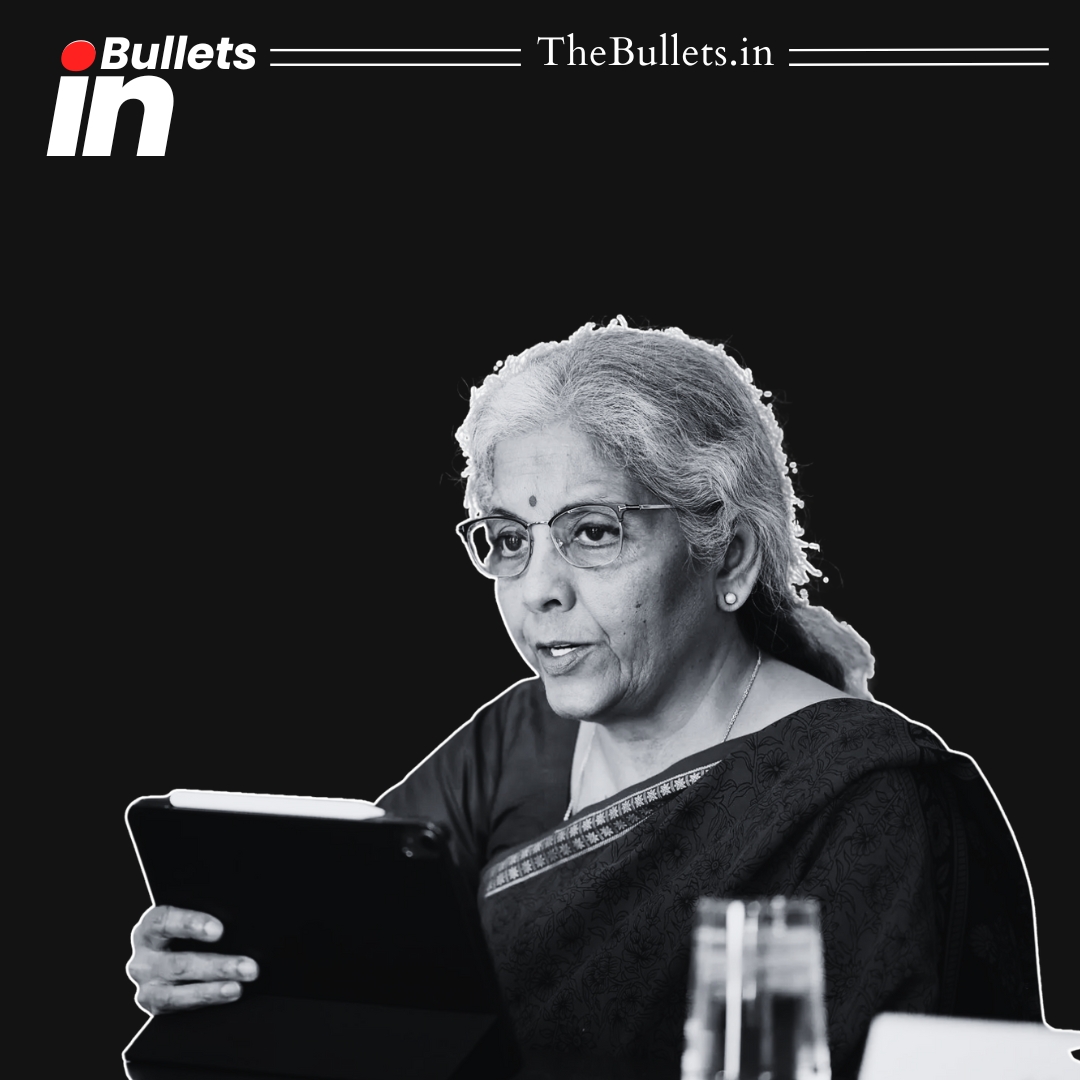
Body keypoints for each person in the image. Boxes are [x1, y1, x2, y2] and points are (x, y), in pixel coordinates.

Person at [128, 318, 1041, 1079]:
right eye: (507, 538)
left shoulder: (831, 806)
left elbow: (760, 1067)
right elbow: (357, 960)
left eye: (593, 532)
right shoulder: (520, 738)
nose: (538, 591)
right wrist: (218, 960)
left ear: (727, 555)